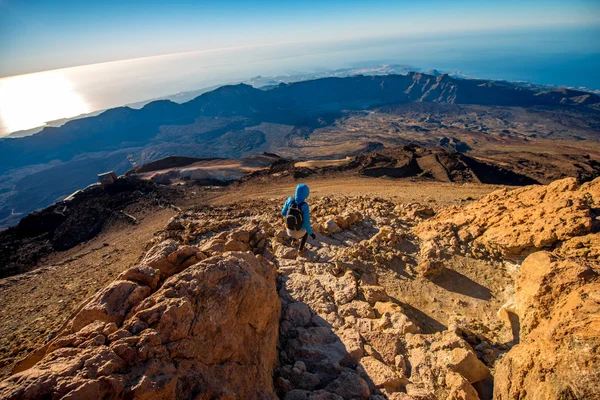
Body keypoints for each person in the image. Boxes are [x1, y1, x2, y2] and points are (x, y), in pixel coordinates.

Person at [281, 183, 316, 254]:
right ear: (306, 194)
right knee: (305, 232)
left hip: (289, 230)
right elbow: (306, 222)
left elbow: (283, 213)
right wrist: (311, 233)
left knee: (293, 221)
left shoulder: (289, 200)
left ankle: (294, 241)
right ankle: (300, 249)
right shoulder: (304, 205)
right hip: (299, 232)